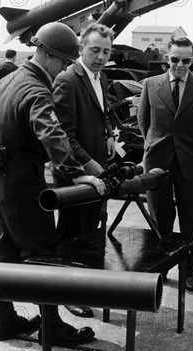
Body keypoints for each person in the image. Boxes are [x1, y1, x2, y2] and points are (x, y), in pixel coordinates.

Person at [0, 22, 105, 346]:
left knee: (6, 252)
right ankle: (51, 328)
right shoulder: (38, 88)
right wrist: (75, 170)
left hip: (0, 179)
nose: (64, 68)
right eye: (64, 62)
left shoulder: (8, 79)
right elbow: (52, 134)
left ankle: (7, 321)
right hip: (25, 182)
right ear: (47, 54)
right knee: (44, 256)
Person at [137, 36, 193, 291]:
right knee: (160, 220)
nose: (180, 65)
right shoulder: (150, 85)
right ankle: (160, 270)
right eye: (175, 59)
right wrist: (155, 147)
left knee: (189, 221)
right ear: (166, 57)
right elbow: (144, 123)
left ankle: (189, 272)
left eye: (186, 60)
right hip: (158, 162)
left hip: (191, 162)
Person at [52, 23, 116, 318]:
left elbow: (101, 115)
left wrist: (109, 135)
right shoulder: (68, 80)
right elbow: (64, 135)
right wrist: (89, 164)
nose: (101, 57)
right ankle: (67, 292)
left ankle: (87, 287)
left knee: (91, 232)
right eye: (95, 51)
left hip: (96, 169)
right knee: (71, 234)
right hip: (75, 173)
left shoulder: (99, 78)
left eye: (106, 51)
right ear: (81, 49)